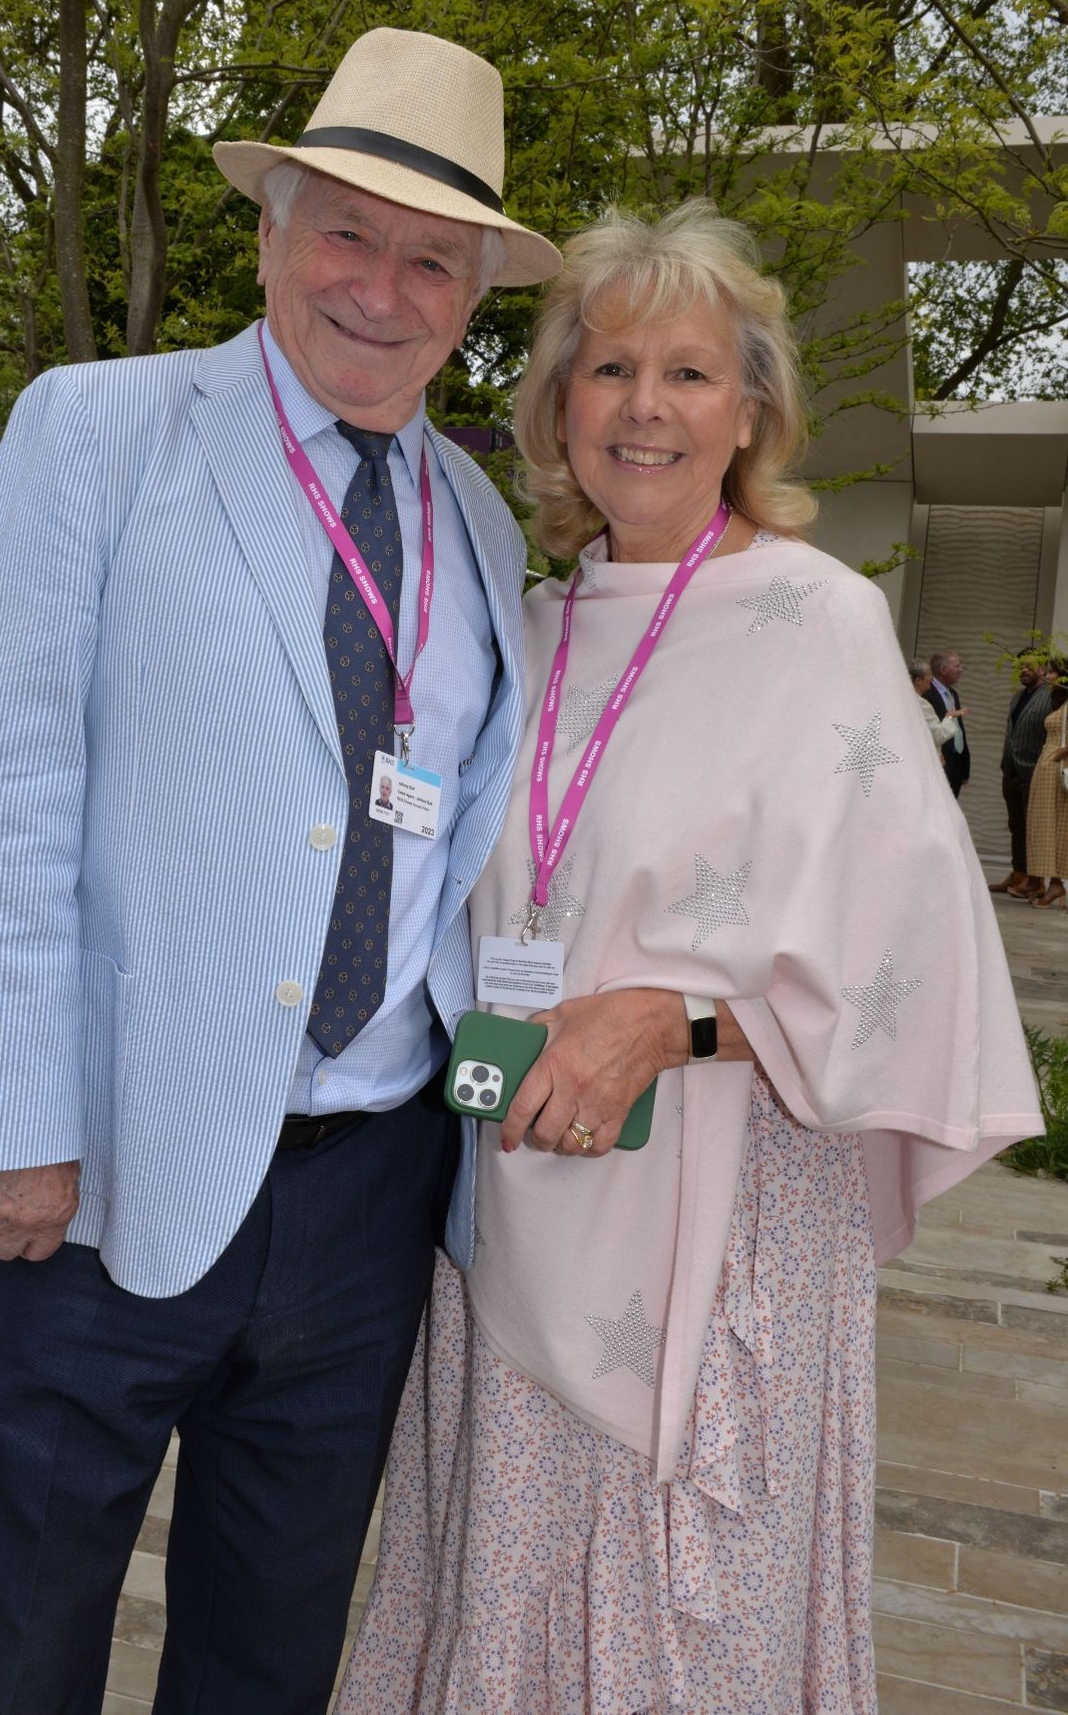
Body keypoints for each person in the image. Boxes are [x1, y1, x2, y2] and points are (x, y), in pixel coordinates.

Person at [0, 28, 561, 1714]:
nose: (381, 290)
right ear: (270, 233)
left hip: (368, 1198)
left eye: (432, 259)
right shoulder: (98, 433)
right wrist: (13, 1124)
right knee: (12, 1660)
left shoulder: (484, 526)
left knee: (268, 1665)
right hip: (93, 1174)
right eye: (346, 233)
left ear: (476, 295)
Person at [335, 204, 1041, 1714]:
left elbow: (920, 948)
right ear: (557, 409)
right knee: (502, 1584)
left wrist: (682, 1022)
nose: (644, 407)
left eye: (689, 373)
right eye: (608, 369)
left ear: (751, 413)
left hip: (725, 1213)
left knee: (682, 1623)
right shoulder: (520, 627)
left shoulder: (818, 622)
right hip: (514, 1184)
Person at [992, 654, 1050, 897]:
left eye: (1028, 666)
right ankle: (1018, 874)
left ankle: (1035, 880)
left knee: (1032, 828)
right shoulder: (1017, 696)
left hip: (1033, 772)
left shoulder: (1050, 696)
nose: (1023, 670)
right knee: (1016, 826)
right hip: (1011, 771)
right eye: (1020, 666)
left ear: (1043, 668)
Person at [1025, 668, 1068, 909]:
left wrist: (1061, 753)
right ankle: (1045, 880)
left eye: (1051, 671)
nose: (1047, 675)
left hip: (1058, 767)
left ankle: (1056, 883)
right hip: (1047, 767)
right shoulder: (1058, 700)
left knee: (1058, 825)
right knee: (1044, 825)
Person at [922, 647, 970, 796]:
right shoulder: (927, 693)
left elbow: (958, 729)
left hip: (957, 762)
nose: (961, 670)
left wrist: (964, 766)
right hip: (939, 761)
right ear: (943, 670)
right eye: (957, 666)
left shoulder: (953, 693)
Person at [909, 656, 968, 754]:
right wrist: (949, 716)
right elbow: (937, 736)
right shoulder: (921, 704)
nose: (932, 679)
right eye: (929, 675)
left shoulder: (907, 700)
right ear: (918, 680)